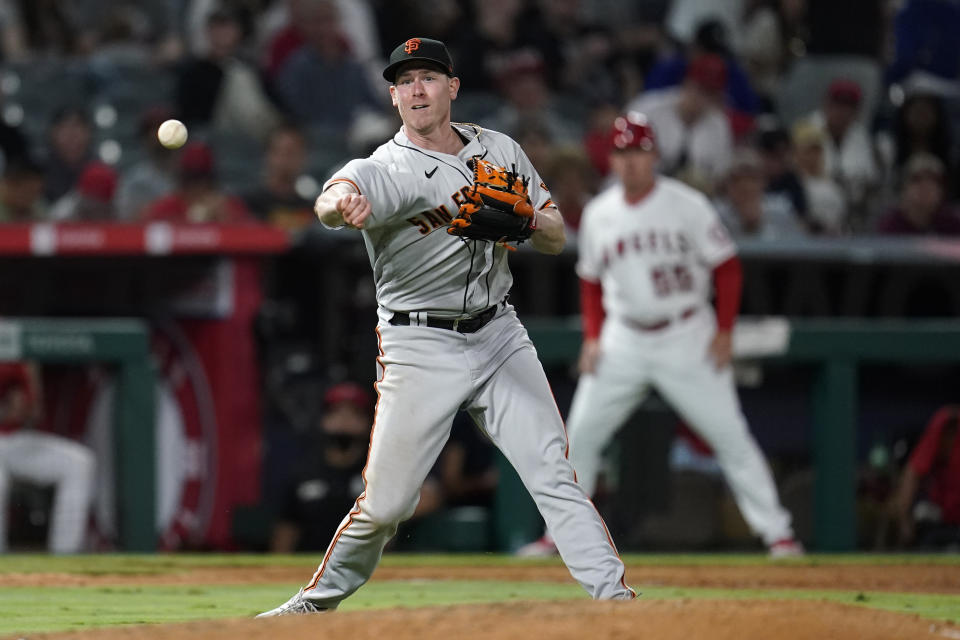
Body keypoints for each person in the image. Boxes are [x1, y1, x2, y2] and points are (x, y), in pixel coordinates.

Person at [257, 36, 635, 617]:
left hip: (499, 333)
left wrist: (527, 219)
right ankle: (315, 602)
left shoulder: (501, 149)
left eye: (428, 77)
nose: (416, 89)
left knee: (553, 471)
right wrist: (341, 206)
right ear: (392, 95)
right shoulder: (390, 166)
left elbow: (558, 236)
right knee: (385, 506)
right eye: (404, 81)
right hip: (419, 343)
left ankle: (619, 601)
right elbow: (336, 194)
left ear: (452, 87)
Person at [516, 113, 802, 559]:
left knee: (729, 435)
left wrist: (724, 331)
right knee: (582, 435)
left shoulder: (687, 205)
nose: (631, 162)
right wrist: (593, 338)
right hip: (624, 337)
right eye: (623, 153)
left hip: (686, 331)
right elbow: (590, 281)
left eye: (639, 152)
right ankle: (559, 536)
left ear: (654, 156)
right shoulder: (599, 213)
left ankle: (778, 534)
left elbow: (726, 268)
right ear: (611, 160)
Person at [271, 382, 440, 552]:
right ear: (323, 420)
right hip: (312, 566)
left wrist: (387, 521)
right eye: (336, 413)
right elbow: (286, 530)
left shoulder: (380, 469)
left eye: (354, 414)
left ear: (368, 422)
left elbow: (429, 497)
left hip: (366, 566)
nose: (344, 421)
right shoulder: (304, 472)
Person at [0, 361, 95, 553]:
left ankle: (63, 561)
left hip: (14, 439)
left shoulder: (22, 353)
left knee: (79, 462)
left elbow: (35, 412)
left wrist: (23, 405)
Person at [891, 406, 960, 550]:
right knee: (925, 523)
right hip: (947, 522)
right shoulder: (943, 423)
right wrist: (904, 521)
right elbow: (912, 473)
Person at [876, 153, 960, 236]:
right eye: (917, 180)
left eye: (934, 181)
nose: (926, 186)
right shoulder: (890, 226)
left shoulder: (953, 224)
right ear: (904, 187)